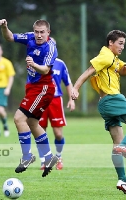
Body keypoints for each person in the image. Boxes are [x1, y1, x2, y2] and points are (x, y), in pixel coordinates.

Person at [71, 30, 126, 195]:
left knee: (116, 142)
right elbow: (88, 72)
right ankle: (124, 146)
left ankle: (122, 181)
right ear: (110, 43)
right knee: (121, 143)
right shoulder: (105, 56)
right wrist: (75, 88)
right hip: (113, 99)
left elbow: (124, 70)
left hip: (105, 104)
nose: (122, 47)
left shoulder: (114, 59)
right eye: (120, 43)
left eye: (123, 44)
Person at [0, 18, 59, 177]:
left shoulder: (50, 47)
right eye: (37, 32)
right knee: (32, 122)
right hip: (33, 87)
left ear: (48, 33)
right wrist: (5, 27)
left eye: (42, 32)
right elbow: (9, 37)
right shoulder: (30, 37)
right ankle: (48, 157)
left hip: (43, 87)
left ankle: (27, 156)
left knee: (19, 118)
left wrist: (33, 64)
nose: (39, 35)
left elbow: (45, 70)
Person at [38, 38, 75, 170]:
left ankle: (58, 157)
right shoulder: (38, 62)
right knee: (40, 132)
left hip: (55, 101)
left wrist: (71, 99)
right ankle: (44, 160)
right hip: (40, 99)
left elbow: (68, 83)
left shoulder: (60, 64)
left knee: (58, 134)